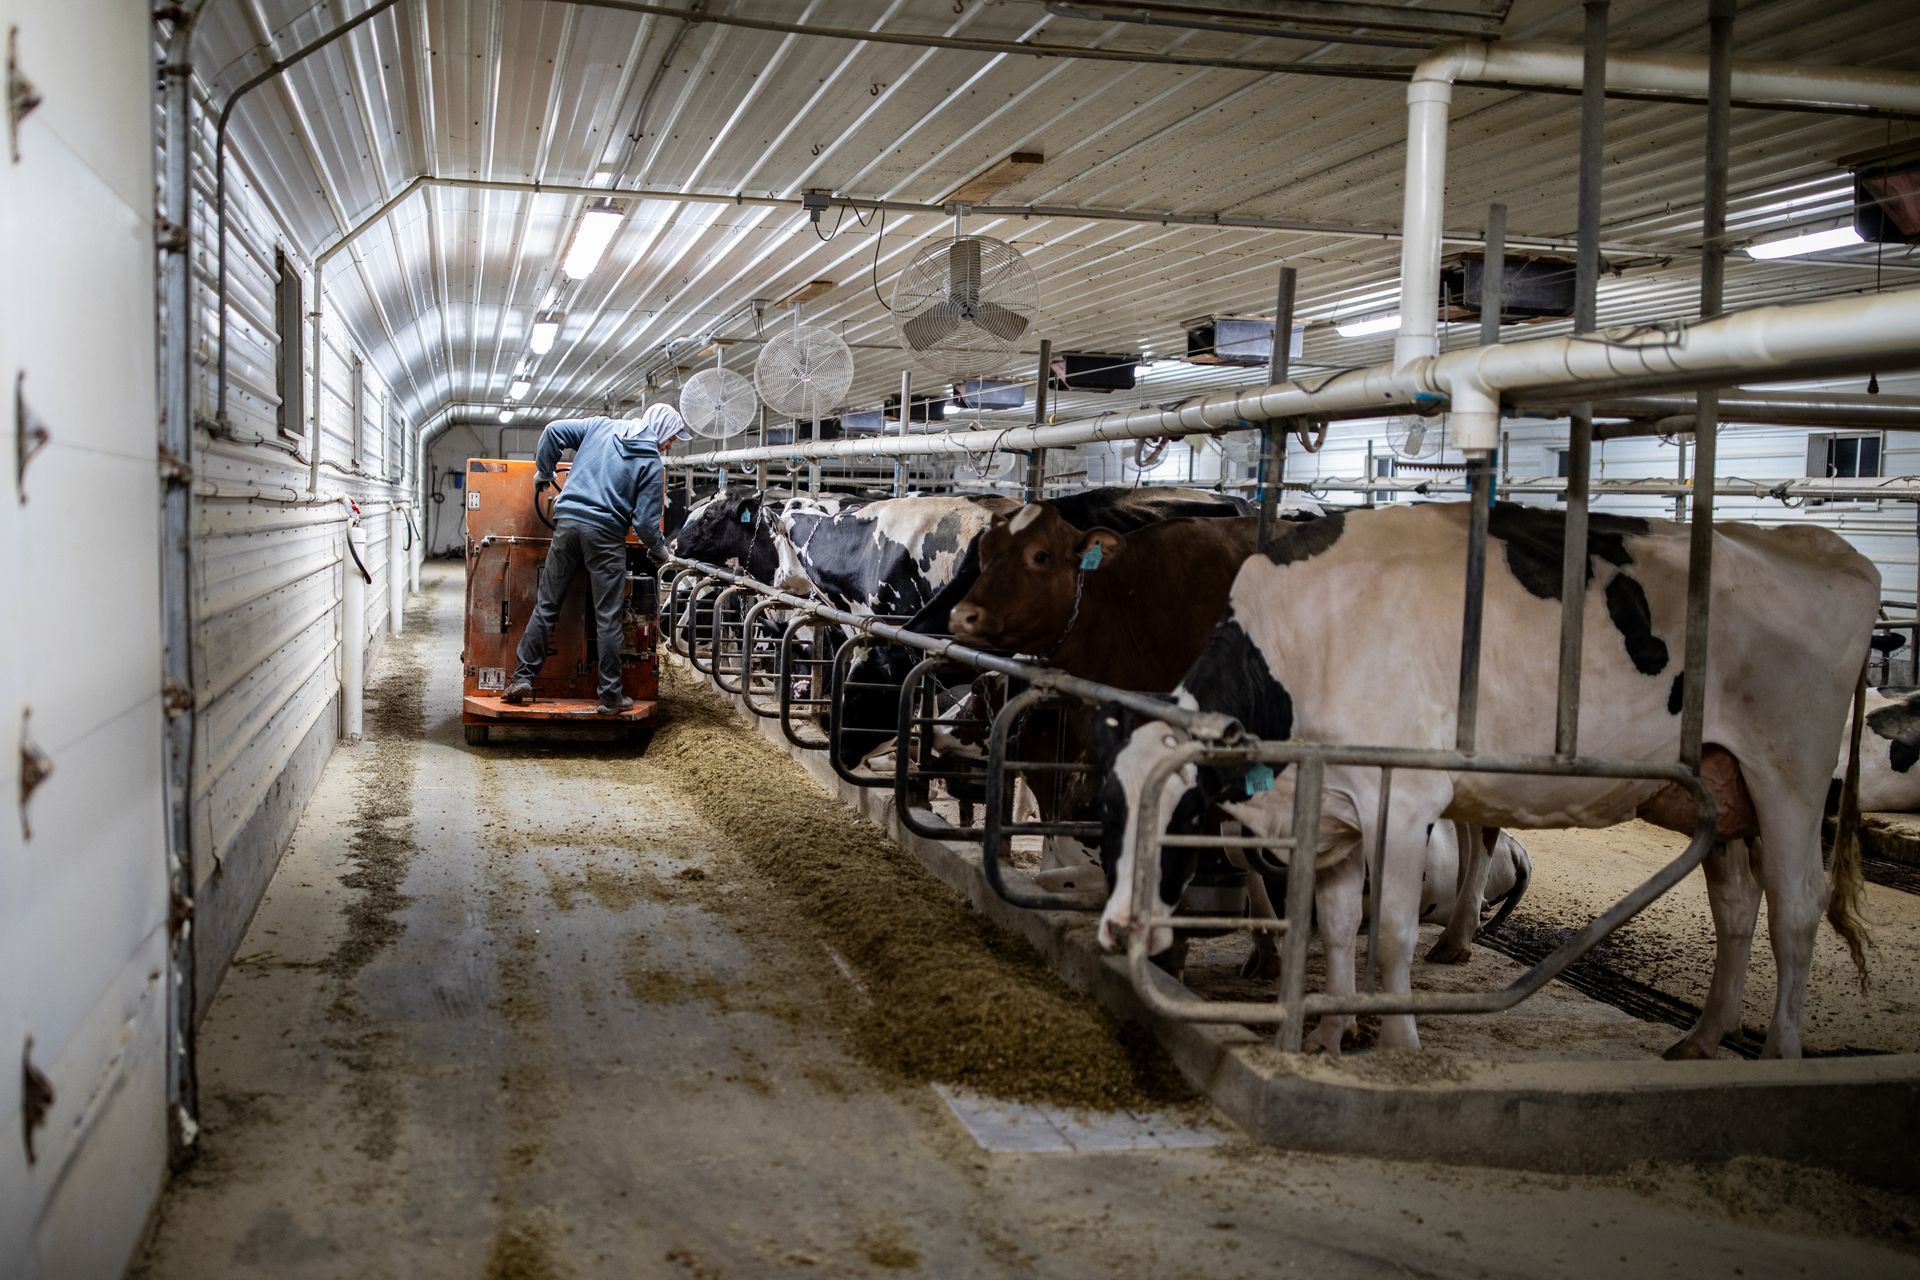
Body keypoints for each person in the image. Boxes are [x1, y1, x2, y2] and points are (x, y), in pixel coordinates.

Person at [501, 404, 689, 713]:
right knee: (608, 617)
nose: (669, 445)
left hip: (567, 523)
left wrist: (543, 472)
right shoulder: (652, 463)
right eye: (671, 438)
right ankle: (611, 696)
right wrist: (661, 551)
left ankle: (522, 677)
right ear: (662, 429)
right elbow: (644, 524)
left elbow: (552, 431)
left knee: (547, 604)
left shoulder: (602, 426)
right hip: (605, 535)